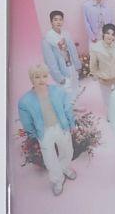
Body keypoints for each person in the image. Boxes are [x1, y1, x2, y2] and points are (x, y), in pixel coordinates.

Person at [17, 63, 76, 196]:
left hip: (61, 127)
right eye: (37, 77)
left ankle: (64, 167)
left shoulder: (58, 92)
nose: (41, 80)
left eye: (44, 76)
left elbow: (67, 108)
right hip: (44, 132)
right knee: (49, 158)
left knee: (67, 150)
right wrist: (33, 134)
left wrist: (71, 124)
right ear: (31, 79)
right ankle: (57, 179)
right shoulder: (25, 101)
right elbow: (26, 120)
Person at [41, 9, 81, 97]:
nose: (58, 22)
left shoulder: (66, 34)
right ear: (51, 22)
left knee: (75, 90)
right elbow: (50, 61)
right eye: (55, 20)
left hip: (72, 67)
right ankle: (67, 106)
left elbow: (73, 51)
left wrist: (77, 66)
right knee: (66, 93)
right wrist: (58, 77)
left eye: (60, 19)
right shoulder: (47, 39)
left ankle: (75, 104)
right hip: (62, 70)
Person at [88, 23, 115, 111]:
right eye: (107, 33)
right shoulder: (95, 48)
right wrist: (96, 75)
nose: (110, 36)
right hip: (104, 78)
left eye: (113, 34)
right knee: (107, 100)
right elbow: (93, 65)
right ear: (103, 33)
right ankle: (111, 113)